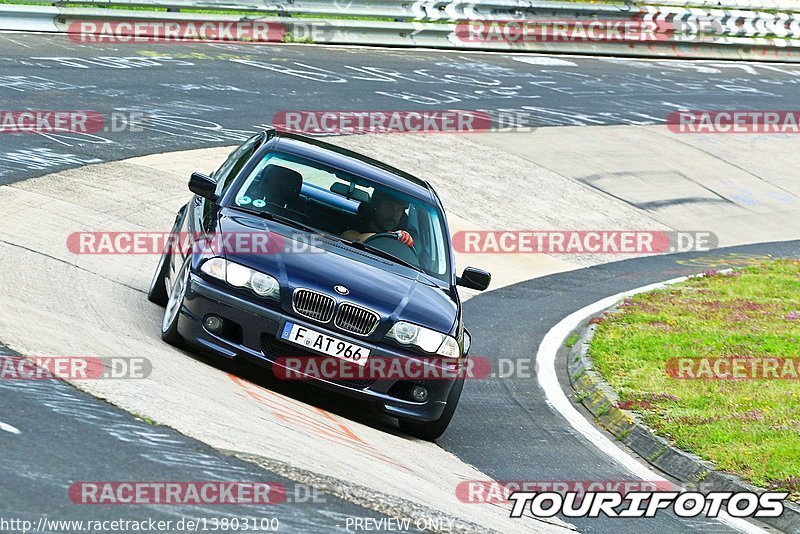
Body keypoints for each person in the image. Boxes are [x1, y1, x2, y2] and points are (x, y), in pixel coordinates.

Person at [341, 189, 415, 247]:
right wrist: (389, 237)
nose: (394, 214)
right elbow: (349, 236)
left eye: (399, 210)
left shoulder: (402, 238)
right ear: (376, 207)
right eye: (389, 207)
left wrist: (404, 240)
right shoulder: (356, 226)